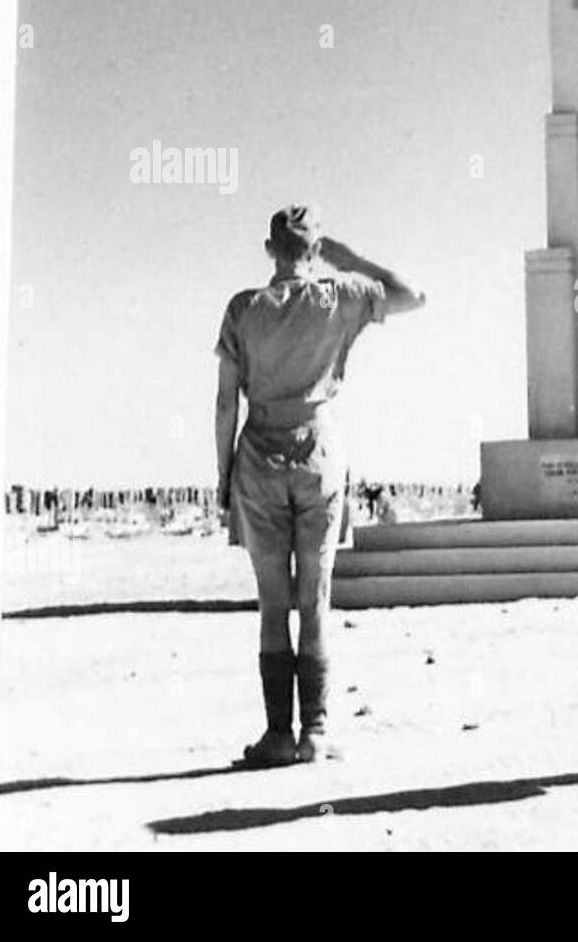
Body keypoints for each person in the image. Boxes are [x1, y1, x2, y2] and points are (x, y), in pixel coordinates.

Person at [215, 206, 426, 767]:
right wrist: (347, 258)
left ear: (270, 249)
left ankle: (277, 736)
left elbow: (223, 402)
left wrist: (222, 475)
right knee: (316, 600)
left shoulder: (243, 309)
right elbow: (412, 295)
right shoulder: (340, 295)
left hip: (258, 453)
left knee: (272, 602)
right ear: (316, 249)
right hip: (319, 452)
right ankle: (316, 732)